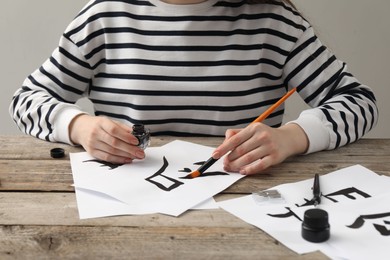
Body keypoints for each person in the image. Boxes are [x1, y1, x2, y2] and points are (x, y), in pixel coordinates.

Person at [9, 0, 378, 175]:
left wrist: (290, 137)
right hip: (126, 206)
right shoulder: (102, 18)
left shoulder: (275, 21)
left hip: (246, 202)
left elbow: (359, 102)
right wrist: (79, 126)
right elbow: (26, 100)